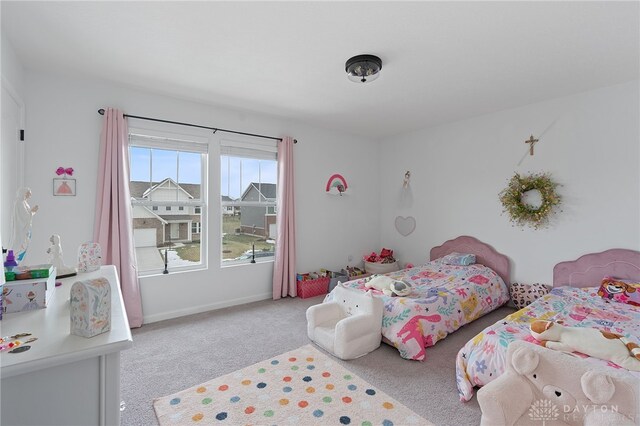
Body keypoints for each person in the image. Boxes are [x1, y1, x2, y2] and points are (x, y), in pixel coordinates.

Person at [9, 187, 39, 263]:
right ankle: (13, 259)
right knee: (19, 243)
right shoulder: (19, 202)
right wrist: (33, 211)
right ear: (24, 193)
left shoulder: (23, 202)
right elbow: (24, 217)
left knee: (23, 245)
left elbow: (27, 215)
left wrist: (32, 212)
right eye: (29, 193)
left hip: (25, 228)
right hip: (21, 229)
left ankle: (17, 260)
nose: (30, 195)